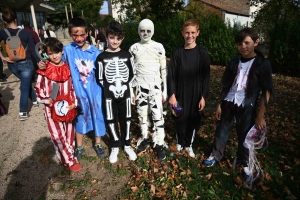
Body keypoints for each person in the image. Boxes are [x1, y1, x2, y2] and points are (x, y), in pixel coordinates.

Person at [202, 27, 274, 180]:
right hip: (229, 102)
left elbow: (266, 91)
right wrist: (219, 104)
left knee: (246, 136)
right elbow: (226, 83)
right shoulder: (235, 61)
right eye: (240, 43)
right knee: (221, 131)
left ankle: (246, 163)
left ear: (256, 42)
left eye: (247, 43)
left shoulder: (262, 63)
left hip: (247, 106)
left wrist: (260, 116)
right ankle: (216, 154)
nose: (243, 46)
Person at [38, 18, 107, 161]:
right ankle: (79, 145)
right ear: (70, 34)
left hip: (95, 93)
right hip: (78, 95)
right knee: (80, 118)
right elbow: (52, 54)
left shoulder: (95, 52)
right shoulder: (68, 50)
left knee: (97, 115)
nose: (80, 38)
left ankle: (98, 143)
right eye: (76, 35)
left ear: (87, 33)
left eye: (82, 34)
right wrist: (42, 61)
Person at [34, 37, 82, 172]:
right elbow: (38, 87)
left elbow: (72, 87)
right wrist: (45, 99)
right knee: (57, 135)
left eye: (56, 52)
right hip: (51, 109)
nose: (54, 56)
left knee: (69, 133)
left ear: (62, 51)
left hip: (68, 108)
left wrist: (73, 103)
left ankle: (66, 154)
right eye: (50, 53)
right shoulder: (45, 68)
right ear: (46, 54)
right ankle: (70, 160)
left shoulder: (67, 67)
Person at [168, 19, 210, 158]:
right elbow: (171, 75)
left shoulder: (202, 53)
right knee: (179, 118)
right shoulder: (177, 53)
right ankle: (179, 141)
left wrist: (203, 96)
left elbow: (206, 77)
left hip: (196, 93)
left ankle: (188, 144)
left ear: (197, 33)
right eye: (187, 33)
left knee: (193, 119)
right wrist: (172, 94)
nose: (189, 36)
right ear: (182, 33)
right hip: (179, 92)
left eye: (193, 32)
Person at [95, 21, 137, 163]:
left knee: (126, 119)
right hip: (109, 95)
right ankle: (115, 145)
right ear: (106, 37)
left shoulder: (127, 55)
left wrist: (127, 89)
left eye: (118, 38)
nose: (115, 41)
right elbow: (100, 77)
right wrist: (110, 88)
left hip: (125, 93)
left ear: (122, 39)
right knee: (111, 120)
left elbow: (132, 74)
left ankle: (126, 144)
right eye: (112, 37)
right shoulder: (101, 57)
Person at [129, 19, 167, 160]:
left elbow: (164, 71)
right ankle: (145, 136)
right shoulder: (134, 48)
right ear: (139, 31)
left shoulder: (158, 47)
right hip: (140, 87)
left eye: (148, 31)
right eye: (142, 30)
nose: (145, 33)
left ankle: (160, 142)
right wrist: (131, 91)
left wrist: (165, 91)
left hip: (155, 87)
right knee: (142, 114)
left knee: (158, 115)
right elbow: (130, 72)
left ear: (153, 31)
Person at [0, 8, 40, 120]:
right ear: (16, 19)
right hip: (26, 63)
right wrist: (39, 62)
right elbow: (33, 50)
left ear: (5, 21)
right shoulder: (25, 33)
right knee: (24, 86)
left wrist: (3, 57)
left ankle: (35, 100)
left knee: (25, 83)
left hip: (12, 65)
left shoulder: (2, 33)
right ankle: (23, 111)